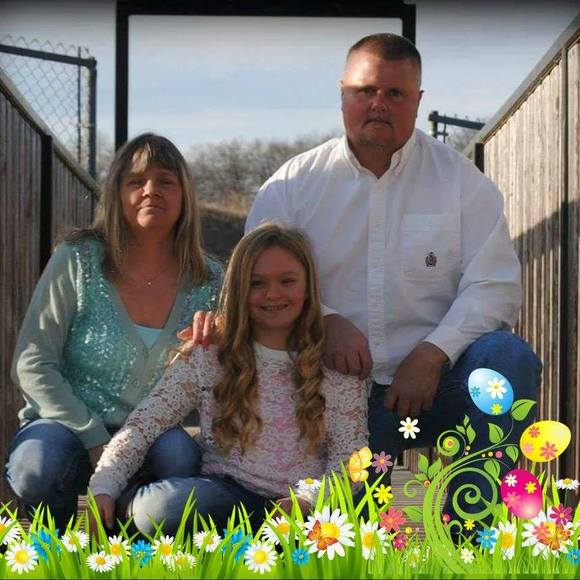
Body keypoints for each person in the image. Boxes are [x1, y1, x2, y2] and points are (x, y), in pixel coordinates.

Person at [193, 33, 541, 524]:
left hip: (437, 386)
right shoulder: (292, 187)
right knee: (353, 531)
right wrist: (324, 318)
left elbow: (495, 286)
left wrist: (433, 352)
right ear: (343, 94)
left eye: (395, 93)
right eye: (365, 91)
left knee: (506, 358)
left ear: (417, 100)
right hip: (330, 399)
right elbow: (255, 282)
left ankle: (473, 527)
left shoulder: (463, 183)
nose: (379, 104)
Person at [88, 223, 368, 535]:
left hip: (301, 507)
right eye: (256, 283)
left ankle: (247, 543)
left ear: (308, 287)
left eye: (287, 281)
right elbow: (144, 424)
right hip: (224, 494)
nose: (272, 294)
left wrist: (307, 500)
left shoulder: (335, 362)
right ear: (238, 289)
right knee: (161, 506)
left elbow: (351, 459)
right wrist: (104, 485)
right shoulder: (209, 353)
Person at [4, 133, 223, 532]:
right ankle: (60, 548)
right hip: (67, 423)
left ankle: (133, 547)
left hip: (153, 429)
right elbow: (32, 363)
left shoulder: (210, 279)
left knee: (182, 460)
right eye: (136, 181)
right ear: (116, 194)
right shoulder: (78, 259)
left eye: (166, 180)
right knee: (36, 466)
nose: (151, 190)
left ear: (185, 196)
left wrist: (221, 340)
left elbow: (232, 369)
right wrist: (93, 437)